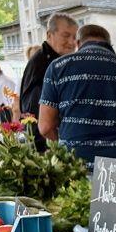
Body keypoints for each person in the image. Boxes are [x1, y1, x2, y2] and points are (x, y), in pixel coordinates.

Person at [38, 23, 116, 164]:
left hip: (75, 168)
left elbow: (45, 127)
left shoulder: (57, 68)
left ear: (78, 43)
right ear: (109, 44)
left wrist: (66, 147)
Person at [20, 12, 78, 149]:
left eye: (75, 37)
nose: (71, 42)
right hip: (46, 145)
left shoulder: (54, 61)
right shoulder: (46, 65)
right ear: (49, 35)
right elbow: (42, 118)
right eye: (65, 36)